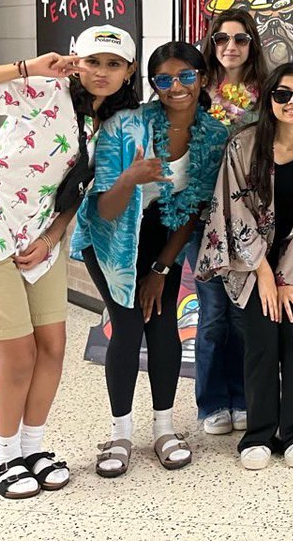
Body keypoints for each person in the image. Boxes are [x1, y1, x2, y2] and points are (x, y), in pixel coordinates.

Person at [0, 27, 138, 499]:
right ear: (74, 60)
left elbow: (75, 191)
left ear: (129, 71)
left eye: (115, 64)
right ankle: (5, 457)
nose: (102, 72)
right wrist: (26, 67)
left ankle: (32, 448)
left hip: (39, 235)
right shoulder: (42, 89)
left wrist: (52, 238)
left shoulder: (105, 122)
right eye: (93, 61)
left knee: (52, 346)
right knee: (19, 355)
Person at [71, 42, 228, 478]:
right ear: (152, 83)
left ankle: (163, 429)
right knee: (126, 325)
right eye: (164, 79)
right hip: (109, 237)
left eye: (186, 76)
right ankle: (120, 434)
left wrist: (161, 269)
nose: (175, 86)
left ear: (202, 78)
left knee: (163, 328)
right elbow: (102, 210)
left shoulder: (214, 134)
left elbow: (195, 207)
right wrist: (131, 177)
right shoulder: (125, 125)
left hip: (163, 237)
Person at [198, 64, 293, 470]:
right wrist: (264, 272)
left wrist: (287, 278)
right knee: (260, 343)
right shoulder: (243, 145)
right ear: (269, 101)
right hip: (252, 264)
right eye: (282, 95)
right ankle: (259, 433)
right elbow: (233, 208)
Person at [192, 8, 268, 437]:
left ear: (252, 45)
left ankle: (244, 397)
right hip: (202, 220)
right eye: (222, 39)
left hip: (251, 222)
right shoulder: (197, 93)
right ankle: (212, 402)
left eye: (240, 39)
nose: (231, 47)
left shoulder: (268, 96)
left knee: (244, 314)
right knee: (213, 314)